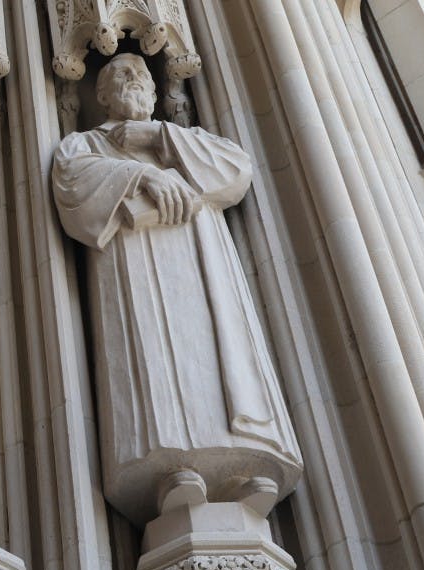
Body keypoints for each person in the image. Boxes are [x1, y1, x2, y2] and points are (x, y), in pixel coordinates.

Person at [52, 54, 302, 524]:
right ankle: (171, 472)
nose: (134, 81)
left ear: (153, 93)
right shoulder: (83, 144)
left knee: (214, 353)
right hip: (135, 273)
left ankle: (244, 464)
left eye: (142, 76)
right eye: (119, 76)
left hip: (204, 265)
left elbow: (236, 170)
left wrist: (159, 139)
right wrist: (142, 174)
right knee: (154, 361)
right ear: (100, 95)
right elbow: (72, 189)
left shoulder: (184, 140)